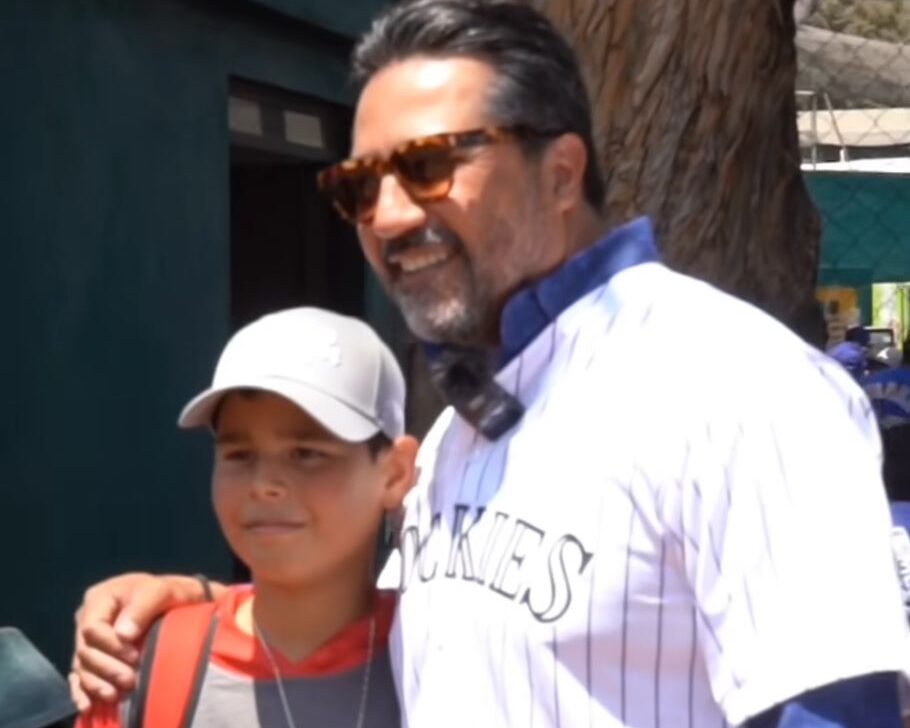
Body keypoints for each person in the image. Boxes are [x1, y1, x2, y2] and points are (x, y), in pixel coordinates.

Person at [71, 2, 908, 726]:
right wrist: (198, 603)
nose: (388, 216)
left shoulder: (736, 385)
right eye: (360, 187)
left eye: (430, 166)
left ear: (562, 172)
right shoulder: (458, 434)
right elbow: (402, 624)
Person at [74, 307, 416, 727]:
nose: (263, 484)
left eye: (307, 454)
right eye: (239, 454)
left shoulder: (438, 654)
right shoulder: (140, 667)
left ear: (395, 472)